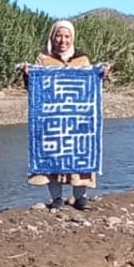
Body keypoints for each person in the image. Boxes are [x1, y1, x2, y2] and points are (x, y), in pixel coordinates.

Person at [20, 19, 112, 211]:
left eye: (67, 36)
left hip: (78, 117)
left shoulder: (82, 60)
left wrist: (101, 74)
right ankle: (57, 199)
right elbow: (34, 89)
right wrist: (28, 74)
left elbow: (90, 86)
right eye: (59, 36)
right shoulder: (43, 59)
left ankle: (81, 198)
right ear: (52, 37)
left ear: (72, 38)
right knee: (52, 157)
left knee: (79, 153)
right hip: (51, 117)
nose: (63, 40)